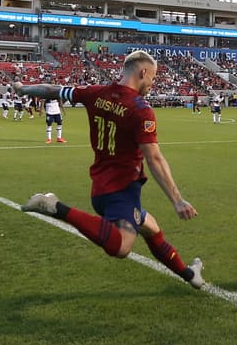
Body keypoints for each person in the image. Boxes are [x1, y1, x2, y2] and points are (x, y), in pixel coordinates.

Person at [16, 50, 205, 289]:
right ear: (143, 72)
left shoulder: (96, 93)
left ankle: (190, 275)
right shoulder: (140, 108)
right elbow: (154, 158)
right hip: (123, 188)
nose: (153, 83)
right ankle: (55, 207)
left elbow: (52, 90)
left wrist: (23, 89)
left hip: (101, 186)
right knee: (123, 246)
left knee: (151, 228)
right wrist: (177, 200)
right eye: (153, 77)